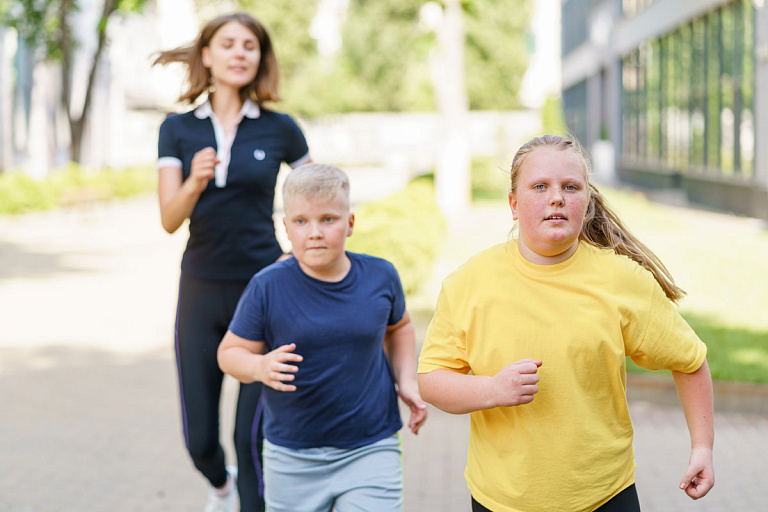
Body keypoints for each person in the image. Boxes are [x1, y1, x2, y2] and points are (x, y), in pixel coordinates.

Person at [417, 134, 715, 512]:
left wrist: (703, 447)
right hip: (502, 501)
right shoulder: (468, 283)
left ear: (587, 203)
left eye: (570, 187)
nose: (556, 197)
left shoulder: (621, 279)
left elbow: (689, 360)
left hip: (606, 496)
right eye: (539, 186)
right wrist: (491, 389)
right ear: (513, 204)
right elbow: (431, 379)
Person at [153, 12, 310, 512]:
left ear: (260, 58)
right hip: (199, 288)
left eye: (250, 45)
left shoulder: (281, 129)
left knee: (251, 441)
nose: (240, 53)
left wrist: (302, 253)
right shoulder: (176, 130)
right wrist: (195, 182)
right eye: (228, 44)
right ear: (207, 56)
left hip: (262, 290)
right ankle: (220, 488)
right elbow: (168, 220)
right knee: (200, 439)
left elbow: (316, 195)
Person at [217, 163, 428, 512]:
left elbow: (400, 326)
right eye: (301, 221)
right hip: (292, 457)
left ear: (350, 223)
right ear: (285, 228)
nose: (314, 232)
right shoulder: (267, 286)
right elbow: (229, 353)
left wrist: (405, 379)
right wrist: (259, 366)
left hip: (371, 447)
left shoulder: (380, 276)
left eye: (328, 219)